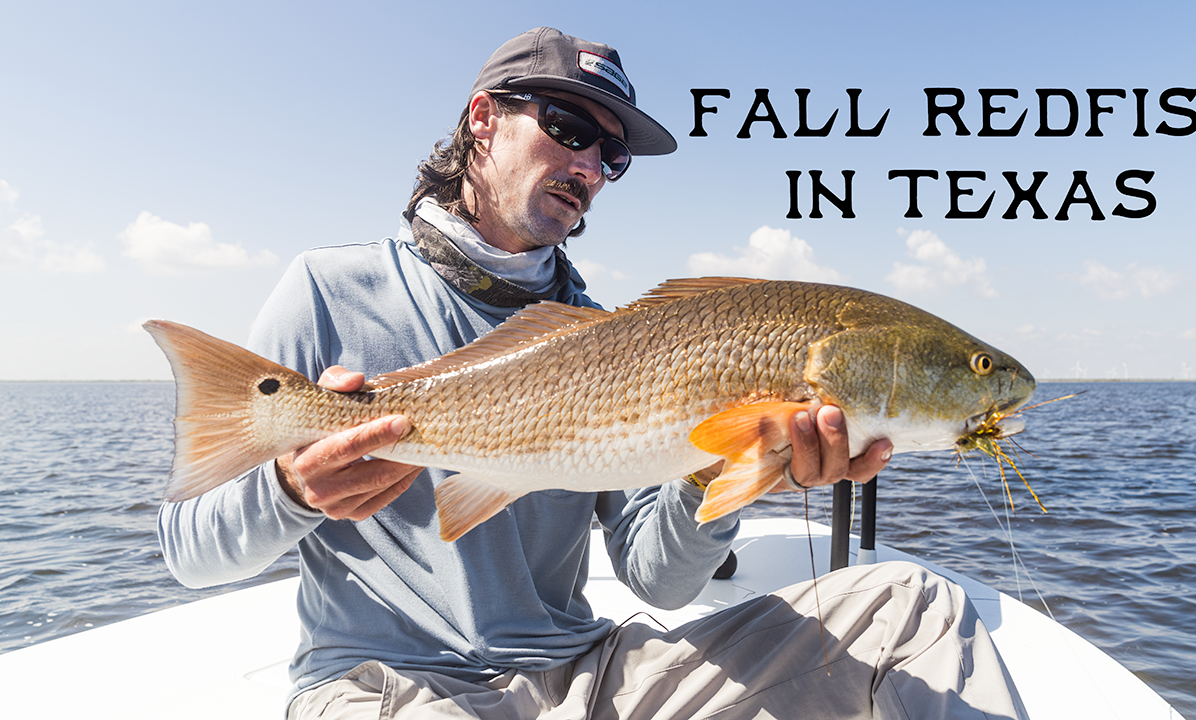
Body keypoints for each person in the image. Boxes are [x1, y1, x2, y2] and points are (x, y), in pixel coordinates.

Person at [158, 27, 1027, 720]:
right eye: (569, 130)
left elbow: (658, 579)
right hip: (385, 687)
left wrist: (728, 471)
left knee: (916, 608)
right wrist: (293, 492)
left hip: (580, 676)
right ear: (482, 119)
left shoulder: (614, 338)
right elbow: (190, 553)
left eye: (610, 157)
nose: (588, 168)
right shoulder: (328, 290)